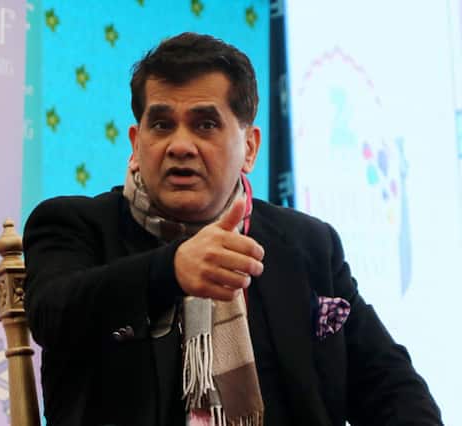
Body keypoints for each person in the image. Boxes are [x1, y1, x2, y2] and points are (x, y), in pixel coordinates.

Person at [23, 32, 442, 426]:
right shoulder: (74, 225)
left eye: (205, 124)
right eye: (162, 124)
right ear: (136, 143)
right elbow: (52, 313)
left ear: (250, 148)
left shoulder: (307, 245)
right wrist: (170, 270)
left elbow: (388, 383)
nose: (180, 145)